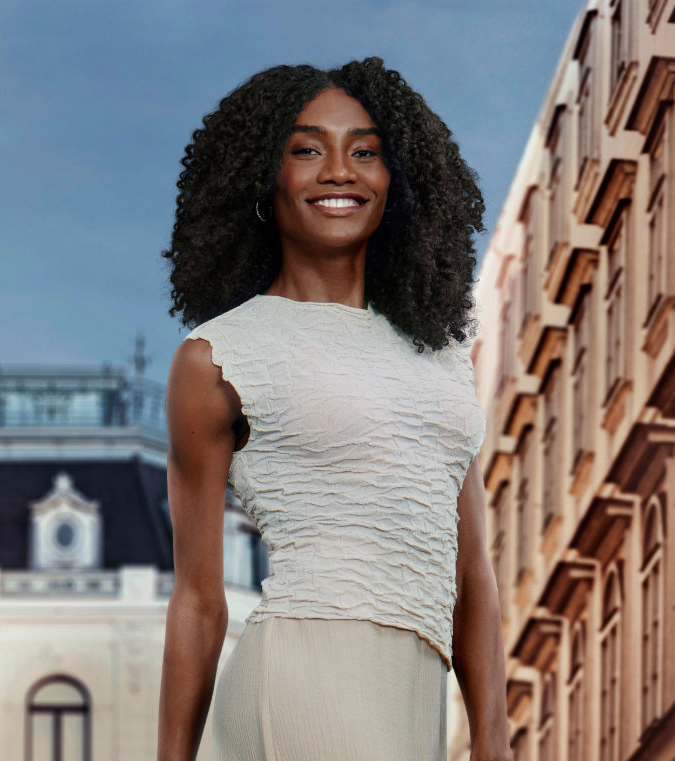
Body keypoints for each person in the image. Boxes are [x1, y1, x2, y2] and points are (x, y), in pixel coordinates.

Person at [158, 57, 512, 761]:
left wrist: (494, 740)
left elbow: (472, 569)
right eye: (307, 149)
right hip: (300, 674)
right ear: (265, 178)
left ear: (399, 181)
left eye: (367, 151)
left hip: (413, 695)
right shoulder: (218, 356)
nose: (340, 171)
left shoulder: (441, 354)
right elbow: (198, 599)